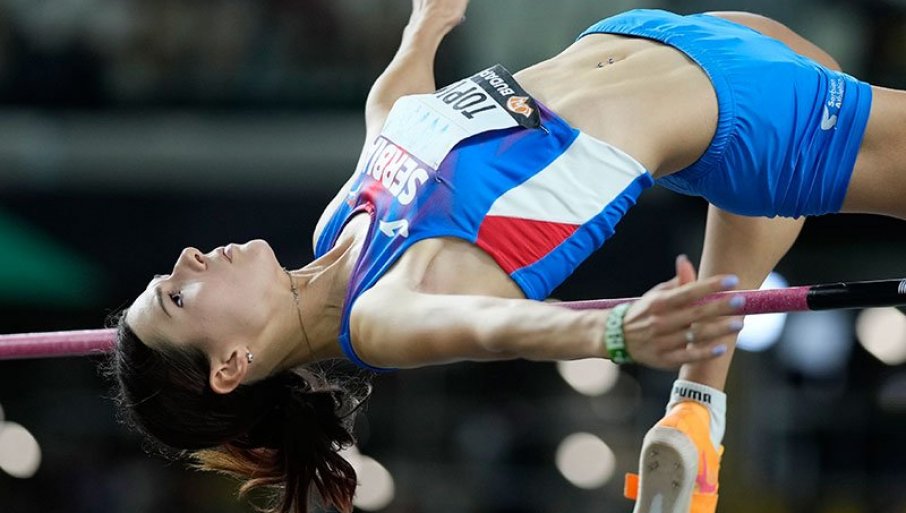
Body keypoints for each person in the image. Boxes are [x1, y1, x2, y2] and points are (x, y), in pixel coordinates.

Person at [106, 1, 906, 513]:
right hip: (744, 109)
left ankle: (699, 402)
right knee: (780, 167)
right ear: (233, 363)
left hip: (663, 36)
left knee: (807, 106)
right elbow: (495, 326)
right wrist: (610, 333)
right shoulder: (380, 313)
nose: (187, 259)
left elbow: (393, 116)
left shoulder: (334, 231)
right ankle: (700, 394)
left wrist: (423, 28)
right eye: (177, 295)